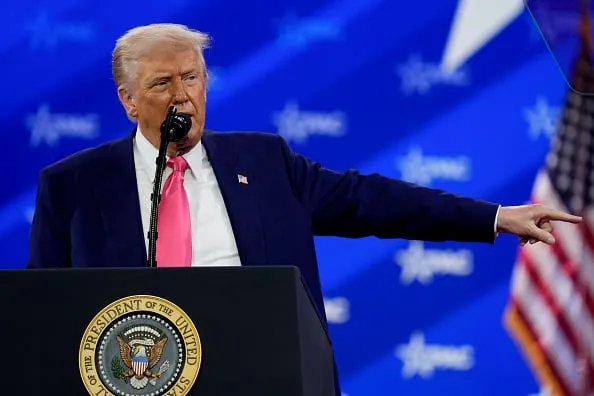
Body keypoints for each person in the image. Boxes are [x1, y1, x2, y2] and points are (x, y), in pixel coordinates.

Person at [27, 23, 581, 393]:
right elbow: (42, 317)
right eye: (162, 84)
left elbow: (371, 201)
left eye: (192, 77)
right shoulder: (74, 186)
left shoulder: (264, 162)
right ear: (128, 102)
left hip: (261, 374)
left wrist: (494, 216)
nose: (183, 96)